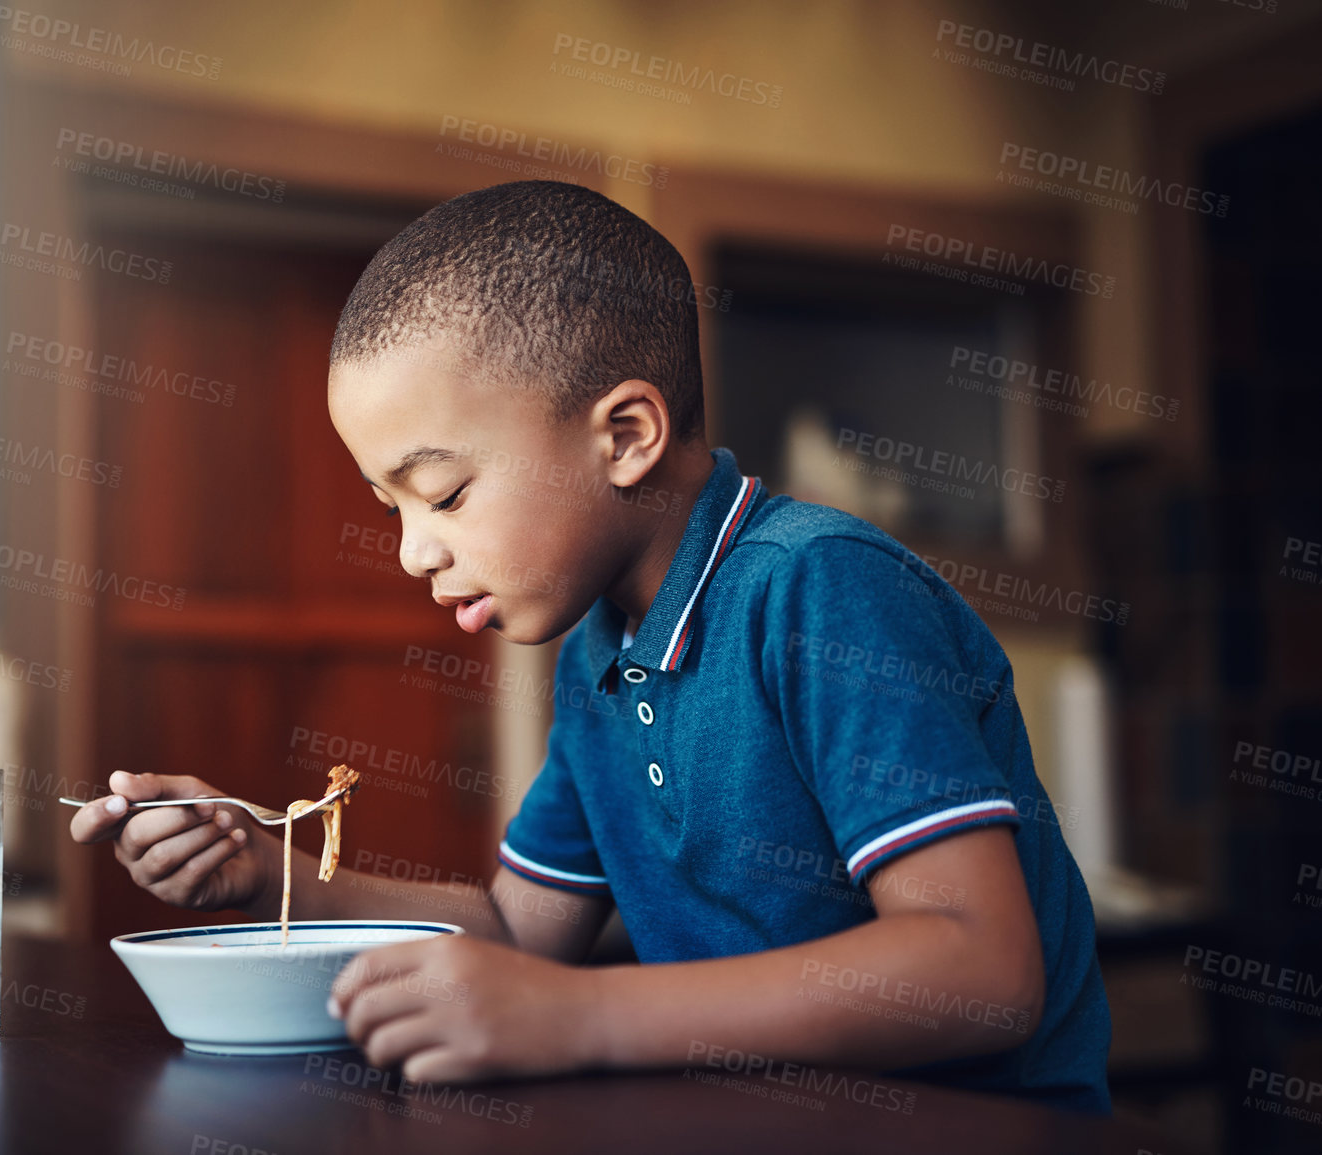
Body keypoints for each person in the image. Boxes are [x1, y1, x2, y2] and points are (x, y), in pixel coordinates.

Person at [68, 180, 1111, 1113]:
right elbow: (522, 934)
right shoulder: (598, 651)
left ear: (625, 437)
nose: (410, 552)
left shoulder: (818, 587)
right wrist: (269, 870)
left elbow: (982, 972)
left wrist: (587, 1017)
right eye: (389, 507)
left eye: (442, 494)